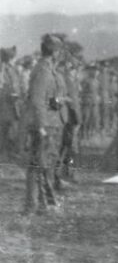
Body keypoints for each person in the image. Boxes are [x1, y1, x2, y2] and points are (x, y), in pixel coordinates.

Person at [23, 34, 65, 214]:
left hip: (50, 122)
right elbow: (37, 99)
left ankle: (42, 203)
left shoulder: (48, 69)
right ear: (54, 51)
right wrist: (41, 126)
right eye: (58, 50)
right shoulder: (42, 70)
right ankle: (36, 205)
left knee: (43, 164)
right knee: (38, 164)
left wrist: (58, 100)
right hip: (45, 124)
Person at [1, 46, 21, 158]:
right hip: (5, 101)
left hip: (12, 103)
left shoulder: (12, 69)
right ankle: (5, 152)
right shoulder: (3, 69)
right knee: (5, 127)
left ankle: (9, 151)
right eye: (13, 57)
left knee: (10, 127)